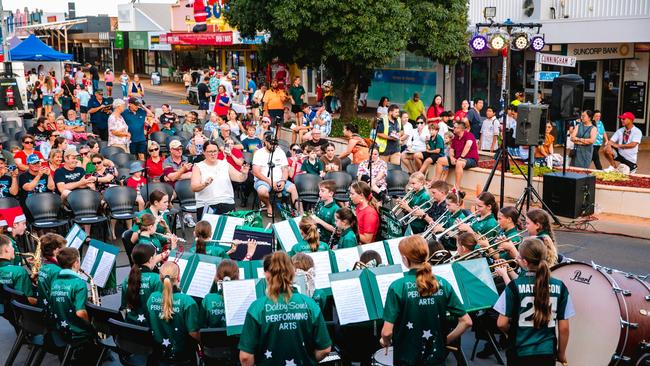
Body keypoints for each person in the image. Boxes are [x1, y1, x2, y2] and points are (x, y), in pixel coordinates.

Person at [381, 236, 472, 365]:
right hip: (436, 357)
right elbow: (466, 322)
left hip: (407, 357)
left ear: (405, 259)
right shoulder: (443, 284)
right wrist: (444, 341)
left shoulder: (397, 287)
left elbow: (386, 332)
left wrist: (385, 341)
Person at [238, 252, 332, 366]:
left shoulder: (257, 308)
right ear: (293, 273)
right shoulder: (310, 304)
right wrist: (309, 359)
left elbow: (245, 357)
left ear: (267, 275)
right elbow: (325, 349)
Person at [494, 237, 573, 366]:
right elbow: (564, 328)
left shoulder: (514, 286)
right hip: (547, 352)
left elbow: (501, 323)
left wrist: (513, 333)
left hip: (520, 351)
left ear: (525, 262)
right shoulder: (560, 286)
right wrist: (561, 353)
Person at [49, 247, 98, 360]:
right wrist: (92, 324)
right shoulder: (79, 283)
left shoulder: (55, 281)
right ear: (76, 262)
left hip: (60, 328)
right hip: (76, 331)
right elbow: (80, 313)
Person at [147, 261, 200, 362]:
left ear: (160, 278)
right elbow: (194, 333)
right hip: (183, 357)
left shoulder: (152, 298)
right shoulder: (187, 301)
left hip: (158, 355)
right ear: (179, 278)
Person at [191, 140, 250, 221]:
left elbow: (240, 178)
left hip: (227, 202)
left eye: (215, 151)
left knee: (229, 231)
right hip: (207, 204)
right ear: (204, 152)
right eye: (210, 151)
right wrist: (204, 184)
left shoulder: (225, 164)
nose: (213, 154)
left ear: (218, 152)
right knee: (208, 233)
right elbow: (194, 187)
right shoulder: (198, 167)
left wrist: (244, 173)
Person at [252, 132, 299, 217]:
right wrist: (270, 182)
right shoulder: (259, 153)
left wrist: (284, 180)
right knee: (262, 191)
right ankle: (268, 206)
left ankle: (300, 212)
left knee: (293, 188)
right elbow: (255, 172)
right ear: (265, 142)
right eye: (271, 143)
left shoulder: (280, 152)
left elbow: (285, 169)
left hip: (279, 179)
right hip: (263, 180)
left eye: (275, 144)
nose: (273, 146)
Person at [121, 244, 163, 325]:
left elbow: (123, 307)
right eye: (155, 256)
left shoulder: (127, 279)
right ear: (151, 259)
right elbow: (161, 309)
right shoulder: (157, 279)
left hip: (131, 327)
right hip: (150, 328)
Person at [433, 120, 479, 188]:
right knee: (440, 160)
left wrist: (461, 157)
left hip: (471, 160)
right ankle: (436, 181)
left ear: (460, 129)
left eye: (454, 127)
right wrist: (451, 157)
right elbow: (451, 150)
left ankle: (457, 187)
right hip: (457, 159)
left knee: (459, 163)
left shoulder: (469, 135)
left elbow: (468, 145)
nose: (453, 128)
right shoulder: (456, 137)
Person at [201, 259, 239, 328]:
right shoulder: (245, 297)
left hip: (213, 338)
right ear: (237, 277)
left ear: (217, 278)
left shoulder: (208, 299)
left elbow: (201, 326)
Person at [0, 233, 35, 306]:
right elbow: (26, 300)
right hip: (18, 313)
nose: (13, 249)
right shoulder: (19, 271)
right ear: (6, 250)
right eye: (12, 246)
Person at [34, 233, 65, 306]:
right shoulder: (58, 271)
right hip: (53, 308)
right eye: (64, 249)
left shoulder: (44, 266)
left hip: (44, 304)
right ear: (56, 251)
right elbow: (61, 296)